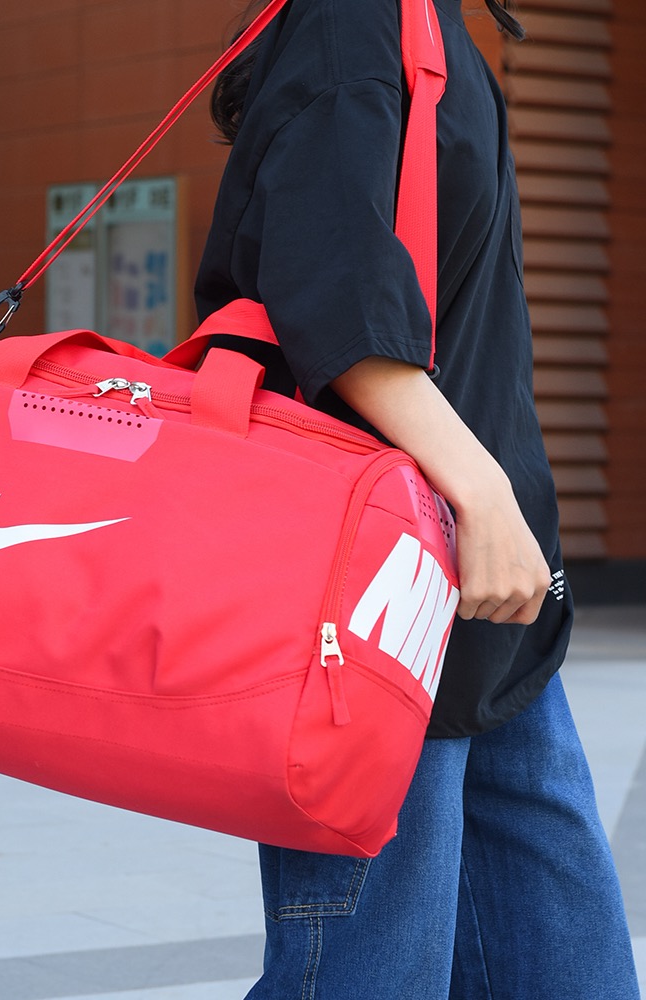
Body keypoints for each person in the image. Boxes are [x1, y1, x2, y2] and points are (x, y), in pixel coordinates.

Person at [194, 0, 642, 996]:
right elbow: (331, 292)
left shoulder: (428, 26)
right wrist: (480, 490)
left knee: (571, 972)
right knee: (372, 976)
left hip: (485, 613)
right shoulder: (356, 17)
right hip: (378, 603)